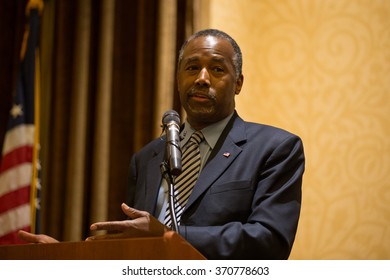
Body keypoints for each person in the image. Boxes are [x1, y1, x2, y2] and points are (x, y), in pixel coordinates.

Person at [18, 29, 305, 259]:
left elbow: (270, 241)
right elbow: (135, 252)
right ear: (179, 77)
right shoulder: (146, 157)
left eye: (217, 69)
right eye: (192, 67)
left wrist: (168, 235)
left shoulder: (275, 148)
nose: (202, 79)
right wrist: (67, 257)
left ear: (238, 83)